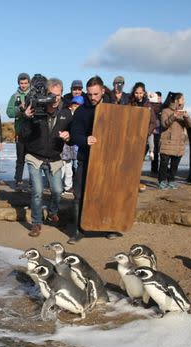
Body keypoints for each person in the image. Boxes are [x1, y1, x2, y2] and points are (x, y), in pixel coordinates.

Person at [20, 78, 73, 237]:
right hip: (35, 156)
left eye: (59, 95)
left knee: (57, 191)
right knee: (37, 191)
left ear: (62, 93)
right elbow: (23, 134)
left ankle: (52, 212)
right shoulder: (36, 109)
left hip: (55, 158)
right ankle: (36, 223)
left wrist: (69, 136)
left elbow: (73, 135)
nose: (55, 98)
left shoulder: (66, 113)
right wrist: (26, 118)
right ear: (46, 93)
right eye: (52, 95)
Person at [67, 75, 108, 244]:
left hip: (107, 161)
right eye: (90, 94)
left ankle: (109, 227)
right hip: (85, 158)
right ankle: (78, 230)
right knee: (79, 194)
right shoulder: (81, 111)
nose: (92, 98)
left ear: (103, 91)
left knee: (106, 194)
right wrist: (85, 140)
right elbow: (74, 135)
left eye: (96, 94)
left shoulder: (113, 109)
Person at [157, 92, 191, 189]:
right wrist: (174, 115)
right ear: (176, 100)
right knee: (164, 164)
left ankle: (171, 181)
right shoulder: (165, 111)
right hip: (167, 141)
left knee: (175, 164)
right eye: (182, 99)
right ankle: (162, 181)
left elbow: (190, 126)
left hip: (179, 142)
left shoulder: (183, 111)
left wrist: (186, 116)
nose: (184, 100)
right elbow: (164, 124)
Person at [6, 73, 31, 189]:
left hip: (33, 131)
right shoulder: (14, 96)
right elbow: (9, 113)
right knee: (20, 158)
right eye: (21, 83)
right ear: (18, 83)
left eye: (25, 83)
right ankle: (18, 179)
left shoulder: (34, 94)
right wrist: (20, 109)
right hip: (20, 131)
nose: (23, 85)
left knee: (33, 159)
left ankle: (33, 180)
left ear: (29, 83)